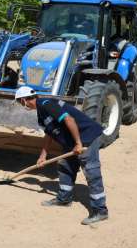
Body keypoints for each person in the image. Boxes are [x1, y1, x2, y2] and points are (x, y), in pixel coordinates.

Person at [14, 86, 108, 225]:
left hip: (86, 137)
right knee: (65, 165)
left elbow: (69, 120)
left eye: (19, 103)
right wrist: (43, 155)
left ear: (23, 100)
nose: (21, 105)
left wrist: (78, 143)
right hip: (72, 140)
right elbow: (49, 134)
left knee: (90, 170)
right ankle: (64, 199)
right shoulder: (41, 113)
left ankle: (100, 211)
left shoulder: (46, 104)